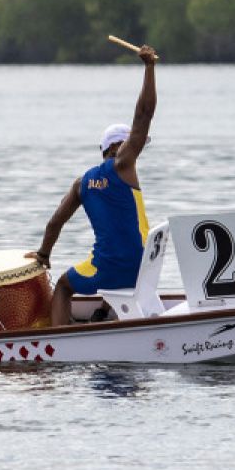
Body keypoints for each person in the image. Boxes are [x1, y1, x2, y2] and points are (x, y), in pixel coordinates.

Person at [27, 45, 159, 326]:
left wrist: (43, 256)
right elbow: (144, 115)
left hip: (115, 268)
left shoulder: (81, 183)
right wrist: (149, 68)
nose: (138, 148)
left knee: (63, 286)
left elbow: (54, 223)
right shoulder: (123, 164)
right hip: (143, 266)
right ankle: (69, 342)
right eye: (133, 142)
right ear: (117, 147)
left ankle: (73, 329)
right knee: (97, 262)